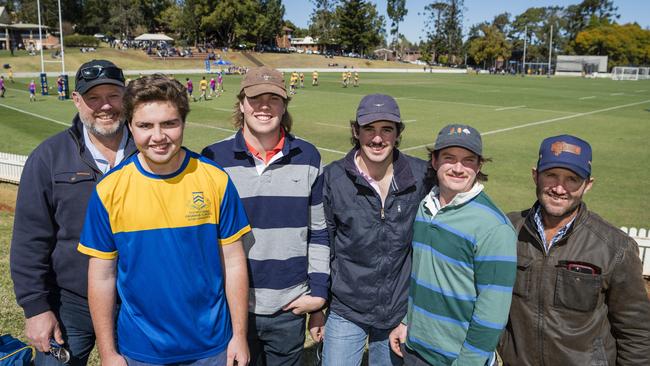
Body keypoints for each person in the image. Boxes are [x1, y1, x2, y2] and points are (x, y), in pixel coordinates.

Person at [78, 74, 251, 365]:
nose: (158, 137)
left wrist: (239, 336)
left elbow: (234, 263)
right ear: (130, 127)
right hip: (141, 351)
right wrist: (108, 353)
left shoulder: (215, 179)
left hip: (212, 347)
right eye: (146, 125)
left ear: (183, 122)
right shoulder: (109, 189)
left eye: (169, 123)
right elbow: (101, 277)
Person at [10, 59, 136, 366]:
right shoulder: (49, 157)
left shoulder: (149, 152)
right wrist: (36, 308)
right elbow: (30, 238)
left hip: (136, 300)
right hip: (70, 301)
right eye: (93, 97)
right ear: (77, 100)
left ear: (127, 97)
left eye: (113, 95)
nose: (105, 106)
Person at [202, 66, 329, 366]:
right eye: (256, 97)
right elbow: (204, 237)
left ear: (284, 106)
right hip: (233, 309)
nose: (264, 106)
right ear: (242, 103)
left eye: (274, 98)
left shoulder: (309, 156)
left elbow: (319, 231)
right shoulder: (212, 158)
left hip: (289, 307)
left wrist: (319, 294)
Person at [497, 135, 650, 366]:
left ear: (588, 185)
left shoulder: (614, 247)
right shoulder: (505, 230)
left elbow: (636, 333)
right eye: (551, 175)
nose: (559, 188)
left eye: (572, 179)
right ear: (534, 175)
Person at [316, 94, 430, 365]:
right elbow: (324, 244)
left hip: (398, 313)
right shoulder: (333, 178)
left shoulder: (422, 175)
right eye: (369, 129)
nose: (377, 139)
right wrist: (319, 307)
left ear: (398, 133)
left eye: (386, 129)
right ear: (356, 131)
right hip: (347, 309)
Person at [389, 124, 517, 365]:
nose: (458, 168)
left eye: (468, 160)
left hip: (456, 360)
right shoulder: (425, 208)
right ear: (435, 161)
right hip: (415, 348)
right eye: (449, 158)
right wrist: (408, 322)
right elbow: (423, 276)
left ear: (479, 166)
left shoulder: (495, 227)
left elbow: (493, 311)